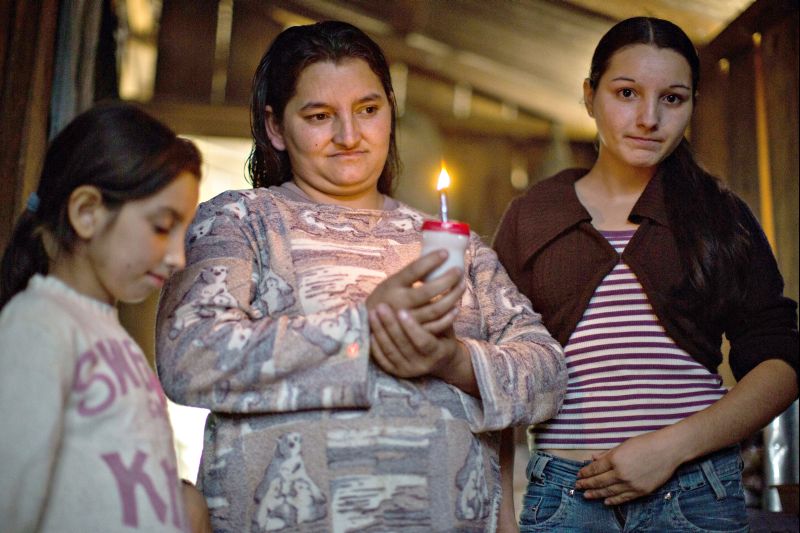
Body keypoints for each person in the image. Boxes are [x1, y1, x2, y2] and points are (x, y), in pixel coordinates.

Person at [155, 20, 567, 532]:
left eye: (368, 110)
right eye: (320, 116)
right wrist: (360, 329)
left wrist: (451, 360)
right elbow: (191, 355)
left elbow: (548, 373)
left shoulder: (454, 246)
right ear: (275, 127)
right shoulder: (240, 222)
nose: (349, 136)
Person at [493, 16, 799, 532]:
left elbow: (781, 362)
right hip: (564, 494)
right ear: (589, 96)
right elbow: (497, 371)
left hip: (697, 488)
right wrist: (500, 516)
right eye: (627, 92)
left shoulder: (720, 215)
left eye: (672, 99)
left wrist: (671, 448)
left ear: (693, 106)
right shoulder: (533, 215)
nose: (648, 118)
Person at [0, 102, 212, 532]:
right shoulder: (38, 326)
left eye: (182, 233)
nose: (178, 257)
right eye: (160, 226)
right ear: (87, 212)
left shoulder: (111, 338)